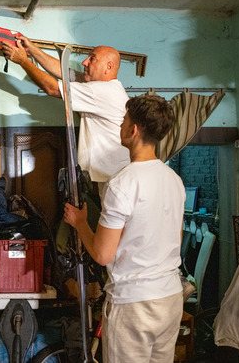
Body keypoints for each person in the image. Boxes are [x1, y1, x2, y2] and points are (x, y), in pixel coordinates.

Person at [63, 94, 185, 363]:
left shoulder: (122, 184)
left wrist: (80, 223)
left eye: (124, 120)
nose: (120, 125)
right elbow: (174, 240)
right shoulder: (174, 180)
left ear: (133, 130)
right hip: (170, 298)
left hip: (134, 304)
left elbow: (102, 254)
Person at [1, 37, 130, 199]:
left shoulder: (102, 91)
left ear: (108, 66)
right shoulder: (105, 87)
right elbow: (64, 72)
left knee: (115, 215)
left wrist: (23, 61)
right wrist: (32, 49)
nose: (84, 62)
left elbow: (52, 88)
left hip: (117, 177)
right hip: (114, 174)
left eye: (92, 58)